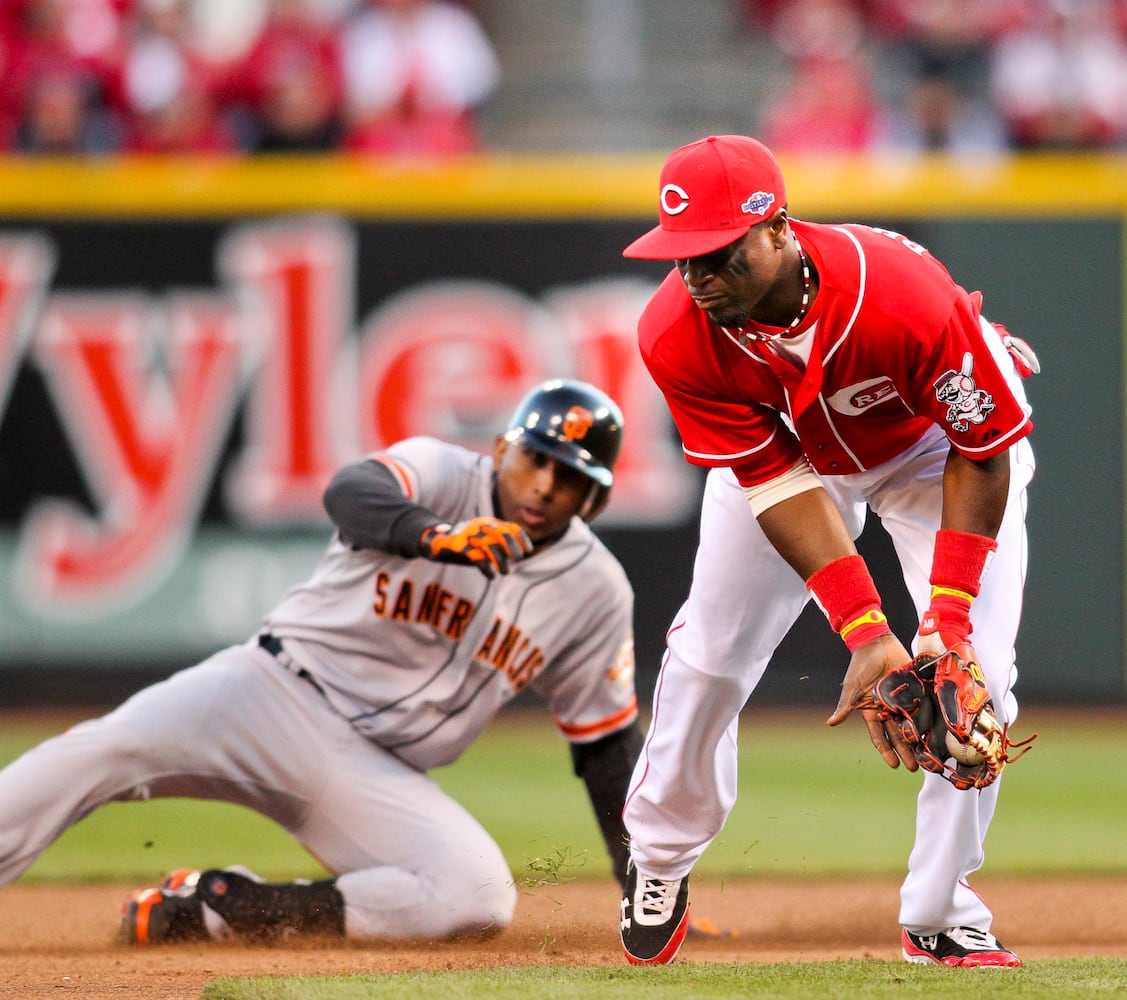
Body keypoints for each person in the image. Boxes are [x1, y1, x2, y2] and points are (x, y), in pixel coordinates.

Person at [0, 378, 643, 944]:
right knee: (97, 752)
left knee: (476, 896)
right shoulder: (442, 472)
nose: (544, 485)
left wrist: (648, 893)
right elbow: (351, 492)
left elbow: (606, 748)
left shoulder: (596, 590)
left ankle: (235, 908)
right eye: (536, 459)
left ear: (598, 501)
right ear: (503, 448)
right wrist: (437, 537)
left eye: (572, 478)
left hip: (367, 774)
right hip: (267, 693)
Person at [616, 135, 1038, 967]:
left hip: (932, 453)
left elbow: (981, 449)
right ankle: (658, 859)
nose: (695, 277)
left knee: (970, 681)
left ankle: (941, 911)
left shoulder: (900, 293)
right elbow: (773, 484)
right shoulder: (675, 331)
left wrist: (941, 624)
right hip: (789, 458)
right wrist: (864, 630)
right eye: (680, 256)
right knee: (709, 655)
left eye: (715, 254)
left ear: (776, 229)